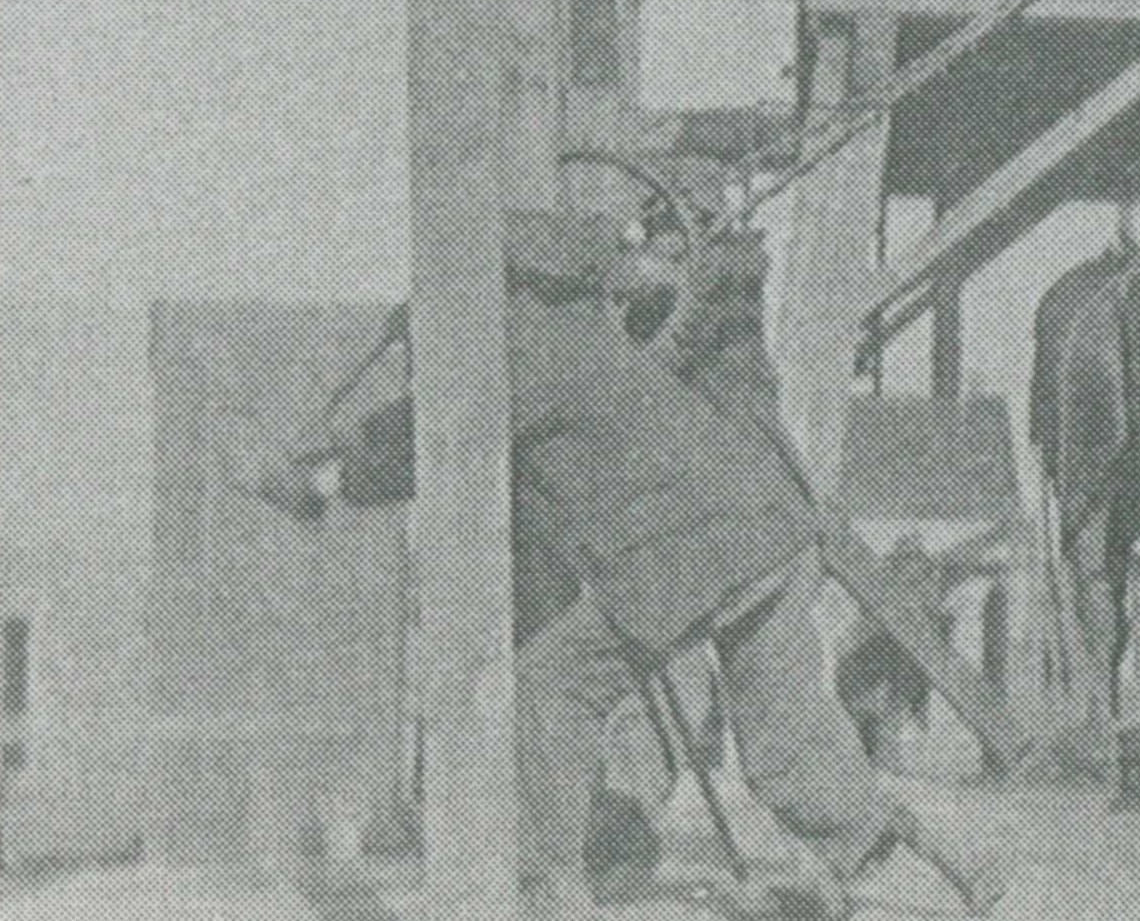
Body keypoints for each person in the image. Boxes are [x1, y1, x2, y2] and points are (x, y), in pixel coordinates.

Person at [262, 209, 1003, 918]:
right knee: (787, 740)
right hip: (768, 529)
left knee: (550, 687)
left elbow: (429, 444)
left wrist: (319, 477)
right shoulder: (584, 324)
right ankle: (951, 857)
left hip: (680, 557)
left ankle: (554, 890)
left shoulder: (514, 361)